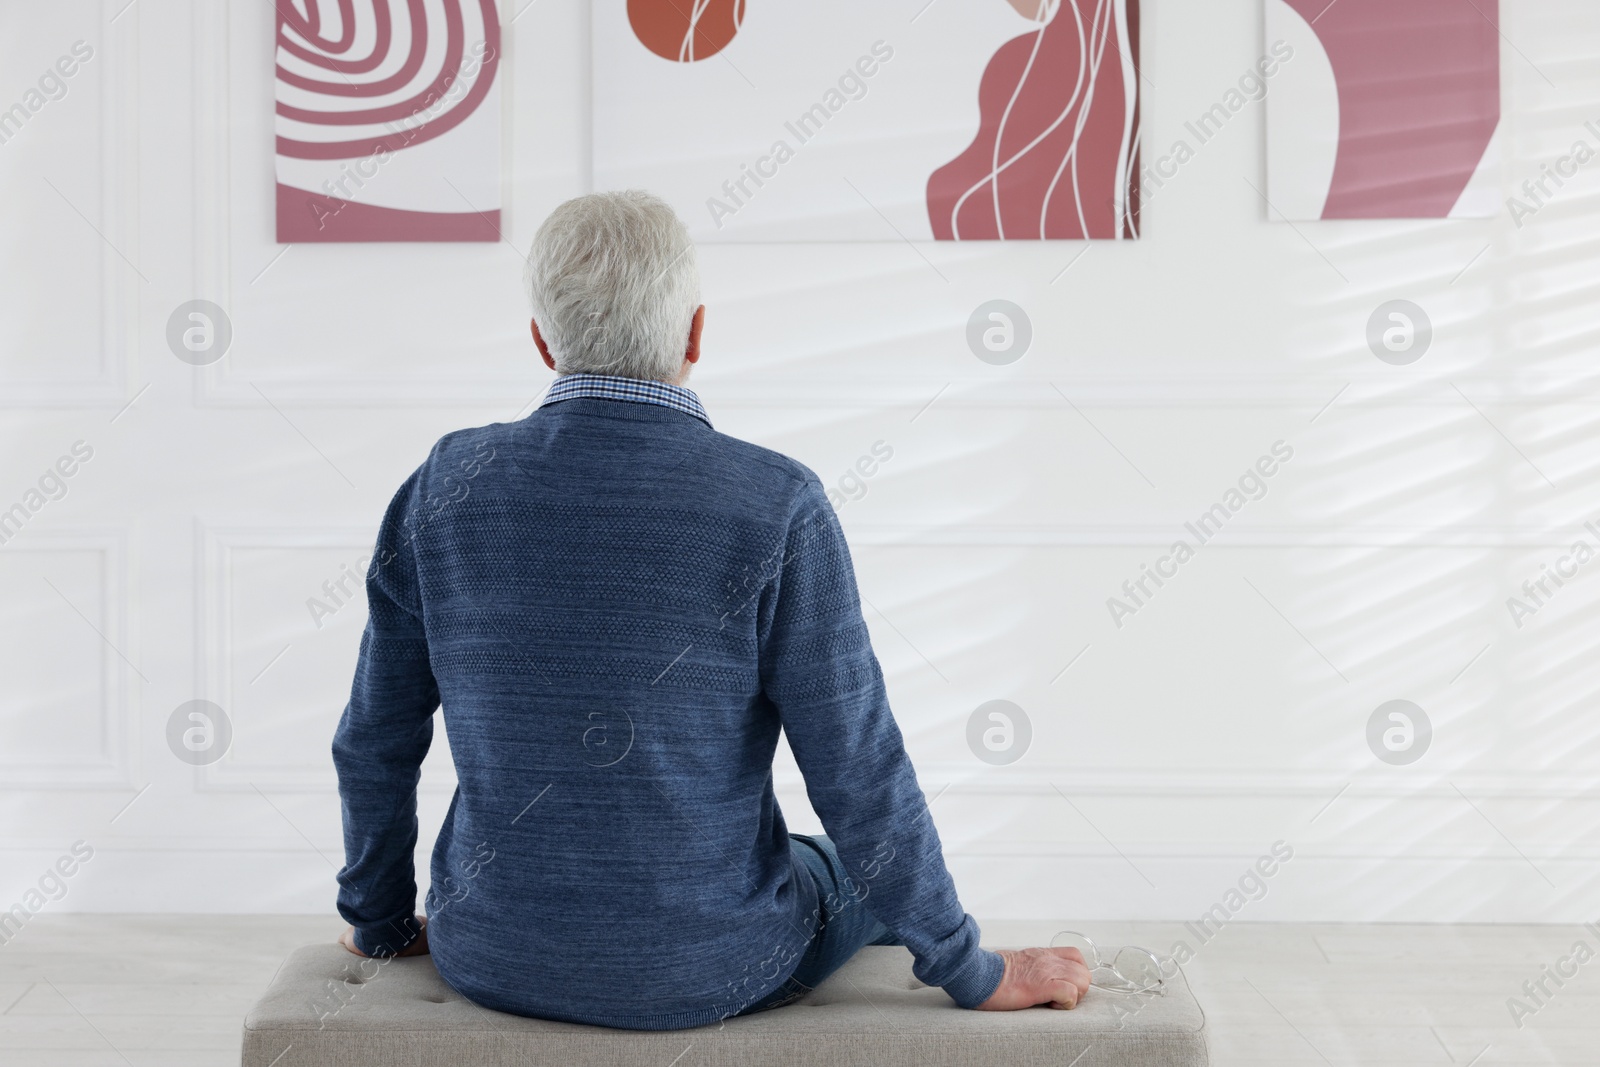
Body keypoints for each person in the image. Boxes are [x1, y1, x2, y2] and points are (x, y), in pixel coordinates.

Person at [331, 190, 1090, 1029]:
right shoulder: (777, 503)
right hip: (716, 966)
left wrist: (380, 922)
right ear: (696, 333)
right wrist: (971, 966)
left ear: (544, 342)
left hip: (493, 952)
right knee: (843, 862)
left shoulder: (443, 485)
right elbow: (857, 768)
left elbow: (376, 737)